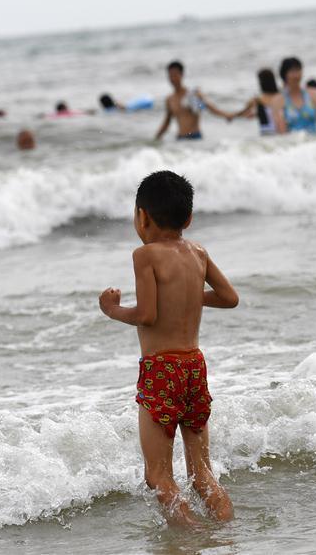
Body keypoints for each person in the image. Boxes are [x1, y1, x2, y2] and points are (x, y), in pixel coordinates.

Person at [98, 170, 238, 525]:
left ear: (141, 216)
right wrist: (187, 297)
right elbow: (229, 298)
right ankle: (226, 534)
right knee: (202, 472)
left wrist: (113, 310)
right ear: (188, 219)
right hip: (194, 367)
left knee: (158, 477)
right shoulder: (199, 253)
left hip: (162, 370)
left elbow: (147, 314)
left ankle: (190, 538)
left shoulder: (145, 255)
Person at [153, 61, 231, 141]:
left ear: (182, 75)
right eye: (170, 75)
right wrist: (156, 138)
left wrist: (226, 115)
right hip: (180, 139)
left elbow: (209, 107)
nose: (173, 78)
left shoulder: (192, 94)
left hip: (195, 138)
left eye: (175, 75)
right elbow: (167, 122)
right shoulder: (170, 99)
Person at [274, 57, 316, 134]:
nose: (296, 75)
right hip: (293, 143)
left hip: (315, 142)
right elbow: (281, 131)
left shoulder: (314, 94)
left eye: (298, 70)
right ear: (284, 75)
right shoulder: (279, 100)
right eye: (292, 71)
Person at [230, 68, 281, 135]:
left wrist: (230, 116)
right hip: (282, 131)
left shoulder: (257, 100)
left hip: (266, 132)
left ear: (261, 82)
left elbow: (243, 113)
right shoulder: (282, 96)